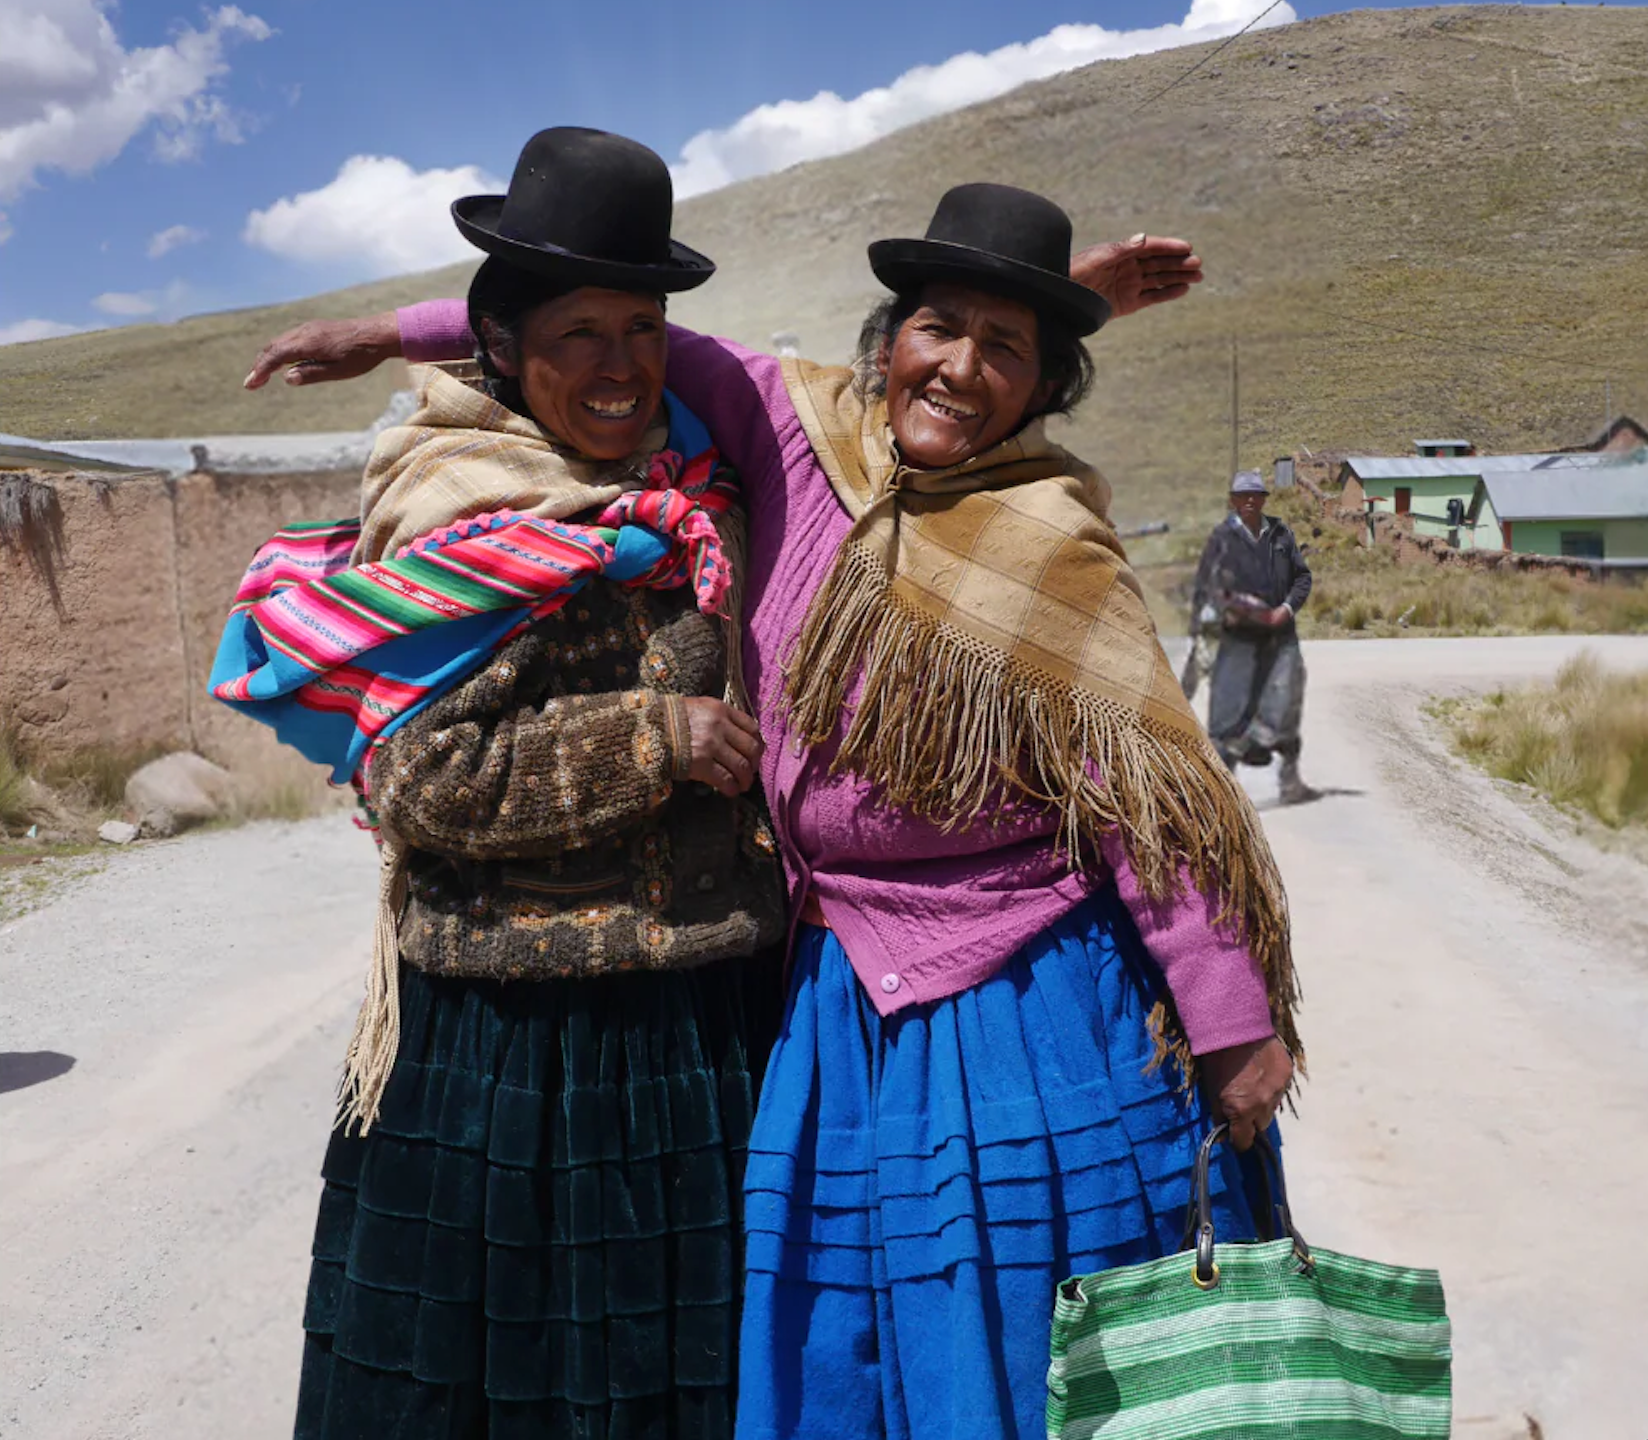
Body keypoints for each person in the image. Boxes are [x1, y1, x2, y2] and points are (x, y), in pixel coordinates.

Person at [249, 182, 1300, 1440]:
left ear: (1047, 387)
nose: (958, 369)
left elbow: (1150, 805)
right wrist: (377, 337)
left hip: (1021, 989)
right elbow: (616, 318)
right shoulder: (799, 435)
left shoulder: (1052, 535)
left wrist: (1232, 1021)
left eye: (1004, 348)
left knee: (1036, 1330)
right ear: (886, 339)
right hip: (830, 988)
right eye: (936, 328)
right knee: (840, 1336)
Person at [218, 128, 788, 1439]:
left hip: (697, 1030)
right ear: (504, 346)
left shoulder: (686, 492)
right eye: (578, 329)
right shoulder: (455, 512)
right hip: (517, 1049)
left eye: (641, 326)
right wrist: (657, 744)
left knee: (684, 1385)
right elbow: (423, 780)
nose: (617, 362)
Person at [1189, 468, 1317, 805]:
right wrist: (1207, 625)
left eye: (1255, 495)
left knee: (1286, 703)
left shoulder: (1280, 534)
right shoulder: (1221, 539)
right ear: (1232, 501)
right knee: (1227, 714)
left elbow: (1302, 578)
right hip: (1238, 638)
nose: (1249, 501)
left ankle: (1290, 783)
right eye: (1242, 495)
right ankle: (1217, 796)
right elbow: (1205, 587)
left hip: (1280, 635)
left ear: (1263, 499)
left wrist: (1286, 609)